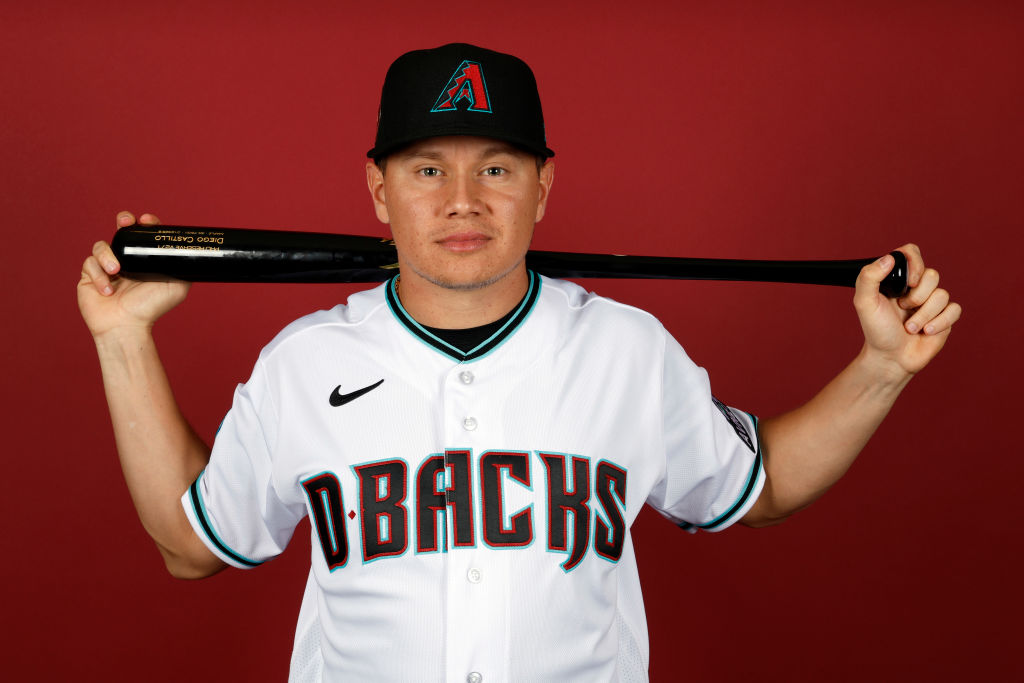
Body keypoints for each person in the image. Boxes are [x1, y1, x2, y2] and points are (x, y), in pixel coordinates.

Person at [78, 43, 961, 681]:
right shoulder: (304, 363)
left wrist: (883, 369)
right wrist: (124, 337)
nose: (462, 201)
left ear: (544, 184)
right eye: (427, 170)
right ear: (379, 190)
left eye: (496, 168)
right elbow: (192, 544)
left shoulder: (627, 349)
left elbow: (754, 487)